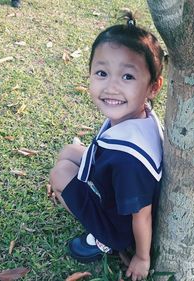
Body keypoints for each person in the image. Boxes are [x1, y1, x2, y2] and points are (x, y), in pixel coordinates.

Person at [49, 11, 165, 281]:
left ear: (153, 87)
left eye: (127, 77)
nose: (111, 86)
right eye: (102, 73)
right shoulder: (140, 113)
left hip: (120, 225)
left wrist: (142, 257)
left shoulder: (130, 162)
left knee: (60, 174)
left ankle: (104, 240)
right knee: (68, 152)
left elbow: (142, 214)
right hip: (115, 185)